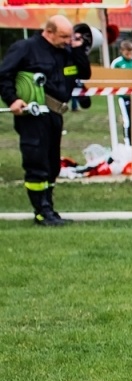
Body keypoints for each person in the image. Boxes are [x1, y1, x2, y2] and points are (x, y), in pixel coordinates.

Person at [0, 14, 90, 225]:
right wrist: (12, 100)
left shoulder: (66, 51)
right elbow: (3, 74)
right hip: (33, 114)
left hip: (55, 114)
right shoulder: (26, 48)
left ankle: (49, 208)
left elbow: (84, 73)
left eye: (70, 36)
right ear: (48, 32)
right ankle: (41, 211)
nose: (67, 40)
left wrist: (77, 49)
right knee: (36, 162)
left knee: (52, 164)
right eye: (63, 36)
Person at [112, 38, 132, 153]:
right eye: (126, 51)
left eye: (131, 51)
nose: (129, 54)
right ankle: (128, 145)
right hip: (124, 97)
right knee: (128, 121)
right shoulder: (117, 63)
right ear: (122, 51)